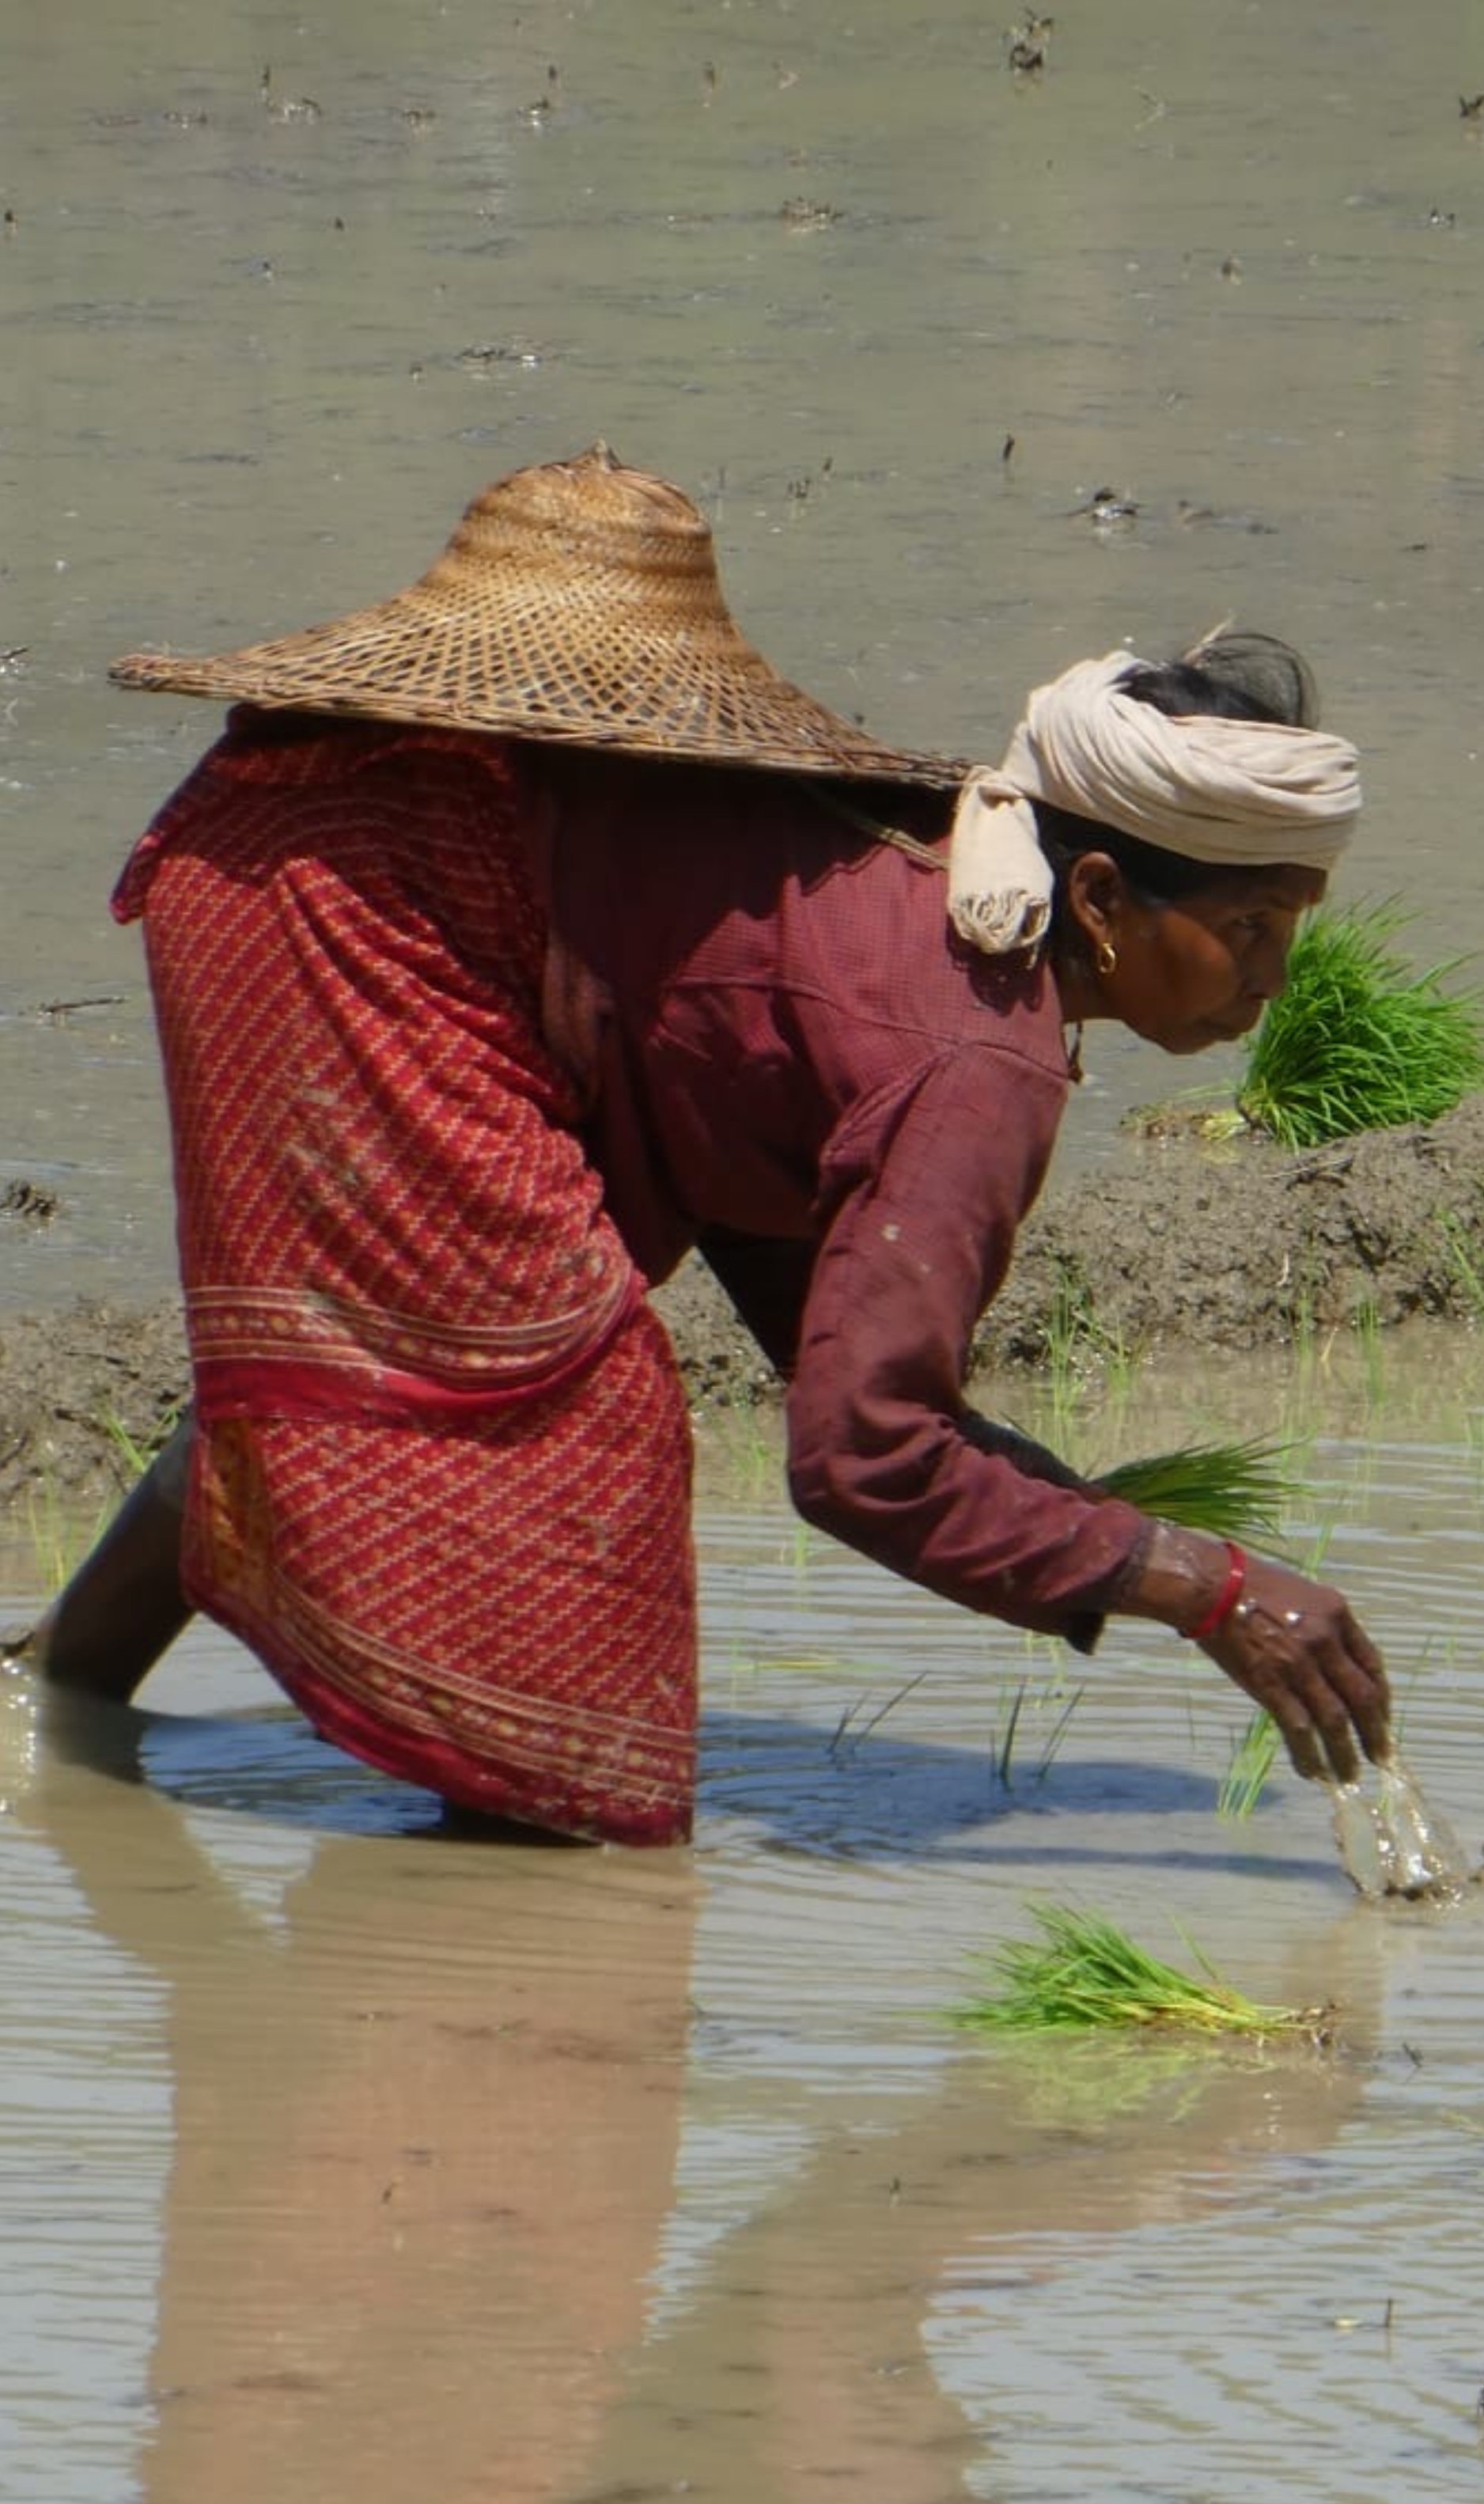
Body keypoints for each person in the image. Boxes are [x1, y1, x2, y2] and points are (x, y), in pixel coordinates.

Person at [16, 442, 1391, 1846]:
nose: (1270, 984)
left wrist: (1074, 1523)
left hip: (301, 837)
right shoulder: (986, 1053)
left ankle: (50, 1711)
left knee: (408, 1348)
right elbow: (859, 1460)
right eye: (1246, 931)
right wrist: (1204, 1587)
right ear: (1099, 893)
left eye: (1289, 931)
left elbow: (811, 1286)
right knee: (566, 1430)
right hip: (353, 897)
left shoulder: (963, 895)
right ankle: (501, 1888)